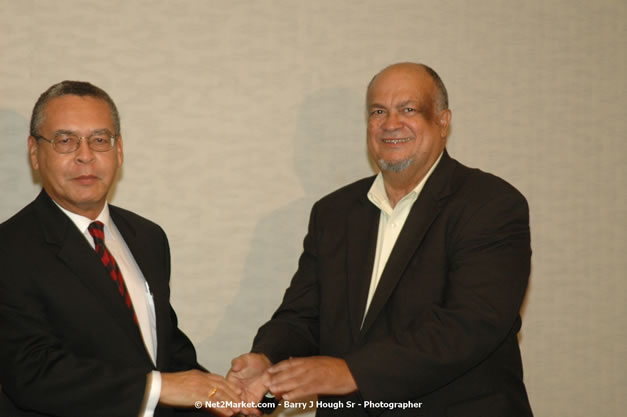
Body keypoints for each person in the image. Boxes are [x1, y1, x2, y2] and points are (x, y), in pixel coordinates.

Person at [227, 63, 534, 416]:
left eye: (408, 109)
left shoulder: (490, 204)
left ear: (443, 121)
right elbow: (303, 315)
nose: (391, 124)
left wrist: (350, 372)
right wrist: (267, 359)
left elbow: (470, 324)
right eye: (378, 112)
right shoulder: (333, 212)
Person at [0, 81, 245, 416]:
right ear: (34, 152)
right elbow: (31, 373)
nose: (85, 155)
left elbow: (165, 352)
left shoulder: (147, 237)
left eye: (99, 140)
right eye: (65, 140)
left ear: (119, 150)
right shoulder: (9, 249)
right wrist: (159, 388)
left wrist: (228, 395)